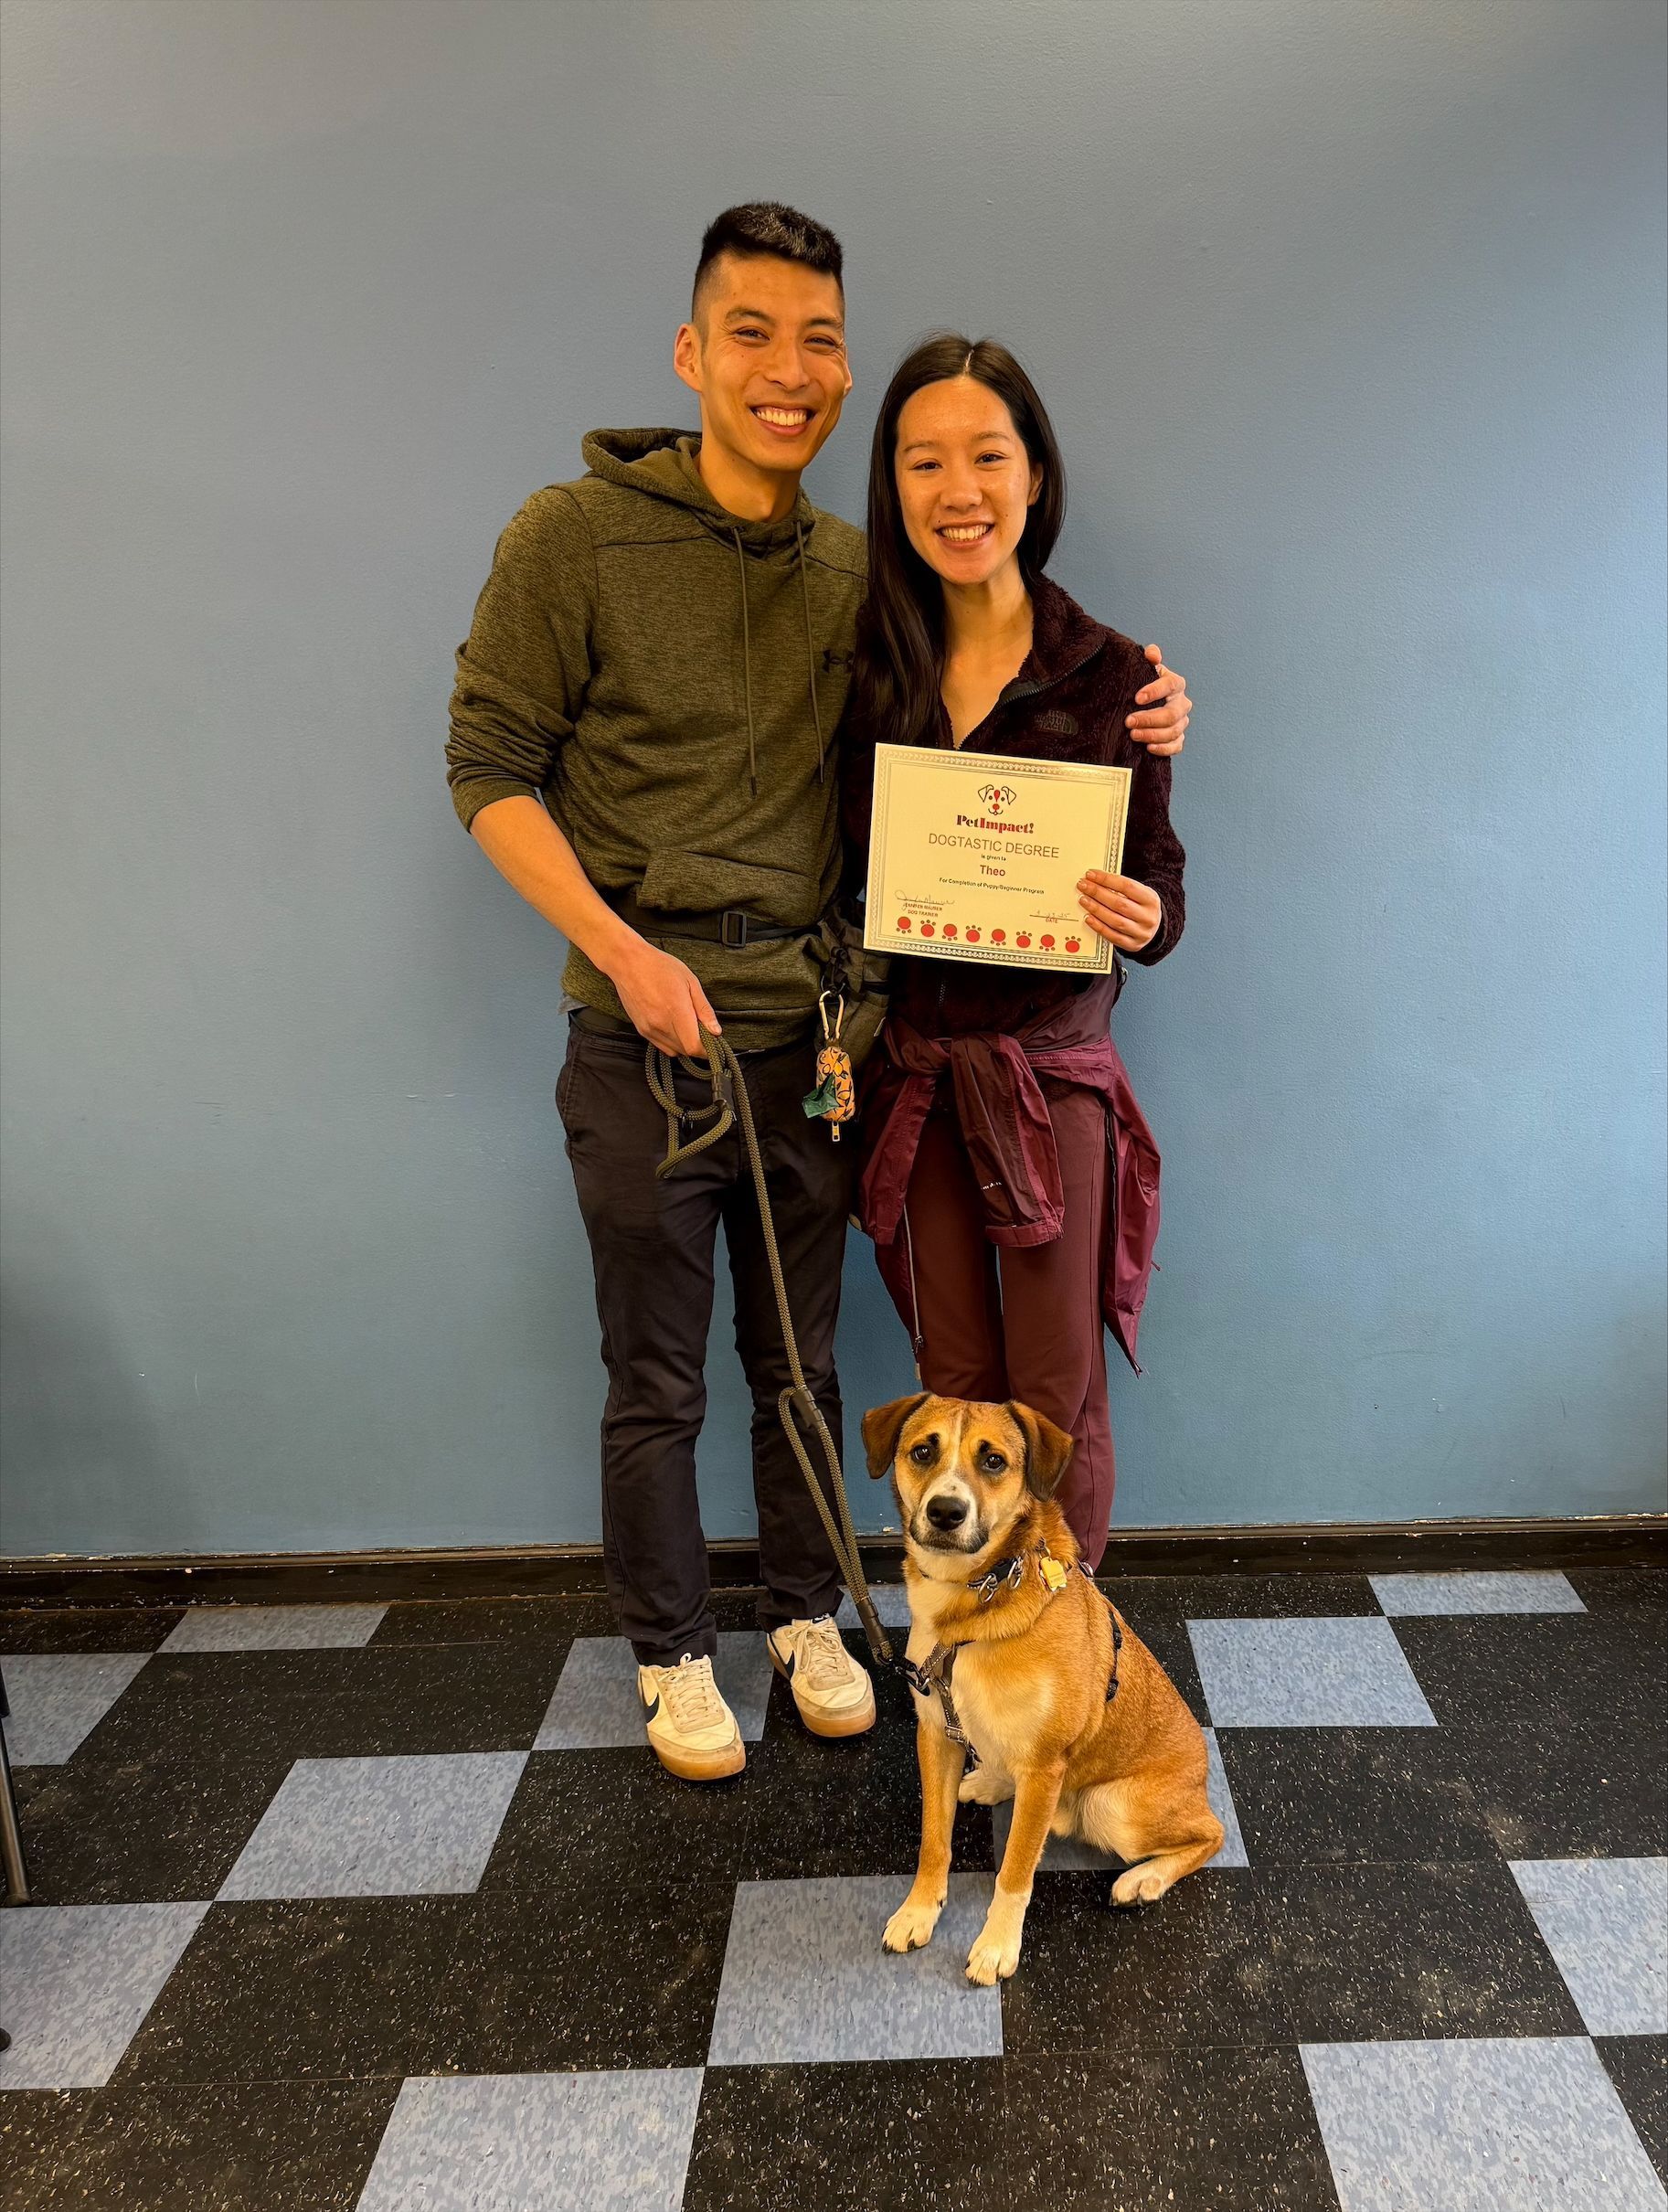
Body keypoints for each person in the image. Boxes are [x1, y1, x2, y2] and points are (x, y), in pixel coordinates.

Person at [447, 209, 1193, 1781]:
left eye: (816, 340)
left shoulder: (874, 590)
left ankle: (812, 1618)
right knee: (655, 1374)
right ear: (691, 351)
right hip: (640, 1028)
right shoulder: (571, 539)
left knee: (812, 1367)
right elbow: (487, 770)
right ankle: (670, 1653)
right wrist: (630, 956)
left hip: (826, 1048)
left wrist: (1152, 735)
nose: (787, 372)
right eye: (751, 333)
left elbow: (1076, 821)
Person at [845, 335, 1186, 1571]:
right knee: (954, 1381)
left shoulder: (1114, 678)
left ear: (1032, 476)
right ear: (892, 486)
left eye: (986, 456)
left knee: (1050, 1401)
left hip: (1051, 1086)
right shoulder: (870, 668)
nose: (958, 490)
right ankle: (963, 1647)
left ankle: (1057, 1645)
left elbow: (1161, 882)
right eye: (923, 461)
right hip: (920, 1075)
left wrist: (1144, 920)